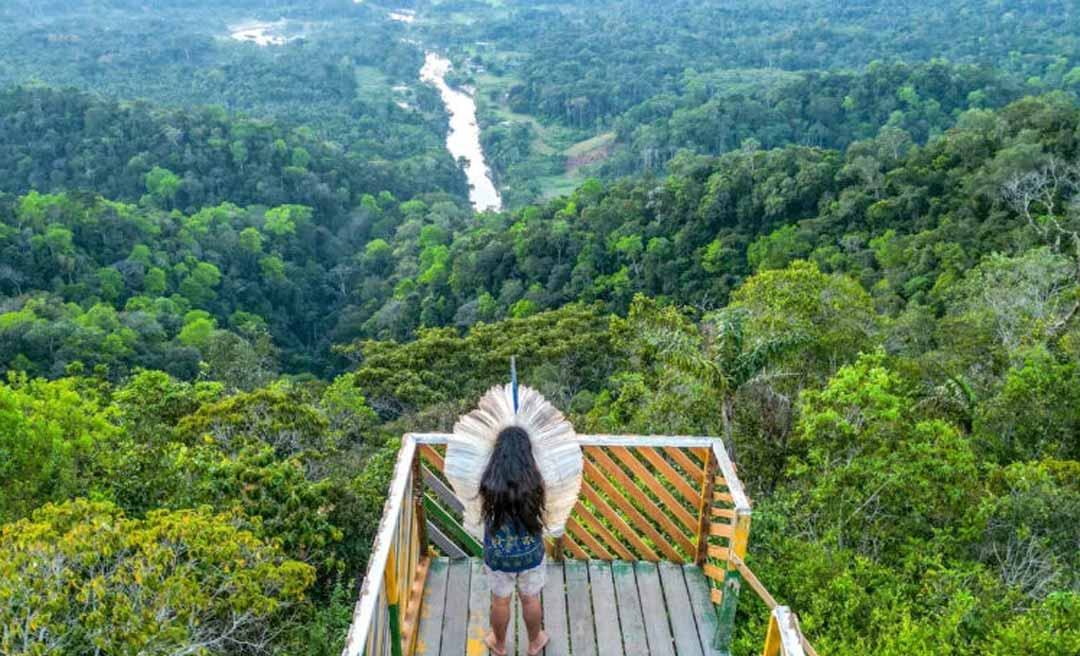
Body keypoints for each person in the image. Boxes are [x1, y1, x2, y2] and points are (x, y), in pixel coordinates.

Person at [480, 425, 550, 656]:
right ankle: (535, 642)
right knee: (530, 599)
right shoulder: (536, 483)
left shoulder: (488, 483)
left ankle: (499, 644)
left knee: (500, 601)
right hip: (530, 554)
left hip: (498, 555)